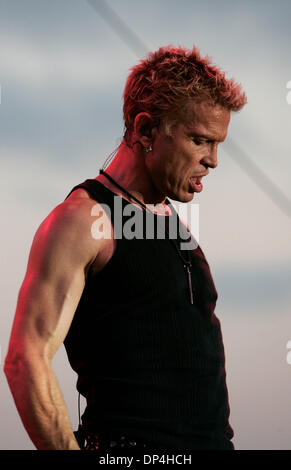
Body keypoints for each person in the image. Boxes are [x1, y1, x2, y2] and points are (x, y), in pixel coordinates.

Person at [4, 45, 247, 452]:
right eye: (200, 140)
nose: (213, 160)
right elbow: (24, 360)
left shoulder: (174, 223)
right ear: (146, 129)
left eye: (218, 143)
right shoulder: (83, 221)